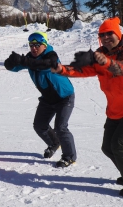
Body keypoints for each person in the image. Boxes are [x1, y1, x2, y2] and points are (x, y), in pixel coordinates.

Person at [51, 17, 123, 195]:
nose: (106, 37)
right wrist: (62, 70)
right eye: (102, 35)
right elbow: (84, 70)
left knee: (118, 146)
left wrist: (106, 62)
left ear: (118, 34)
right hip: (114, 110)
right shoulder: (100, 54)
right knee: (107, 148)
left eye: (109, 33)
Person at [4, 31, 77, 168]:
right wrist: (10, 62)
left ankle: (69, 157)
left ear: (45, 45)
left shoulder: (51, 56)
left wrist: (24, 61)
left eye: (37, 45)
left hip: (64, 97)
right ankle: (54, 143)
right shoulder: (31, 58)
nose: (34, 48)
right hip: (48, 99)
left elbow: (45, 65)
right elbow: (14, 67)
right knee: (39, 125)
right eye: (31, 45)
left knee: (61, 127)